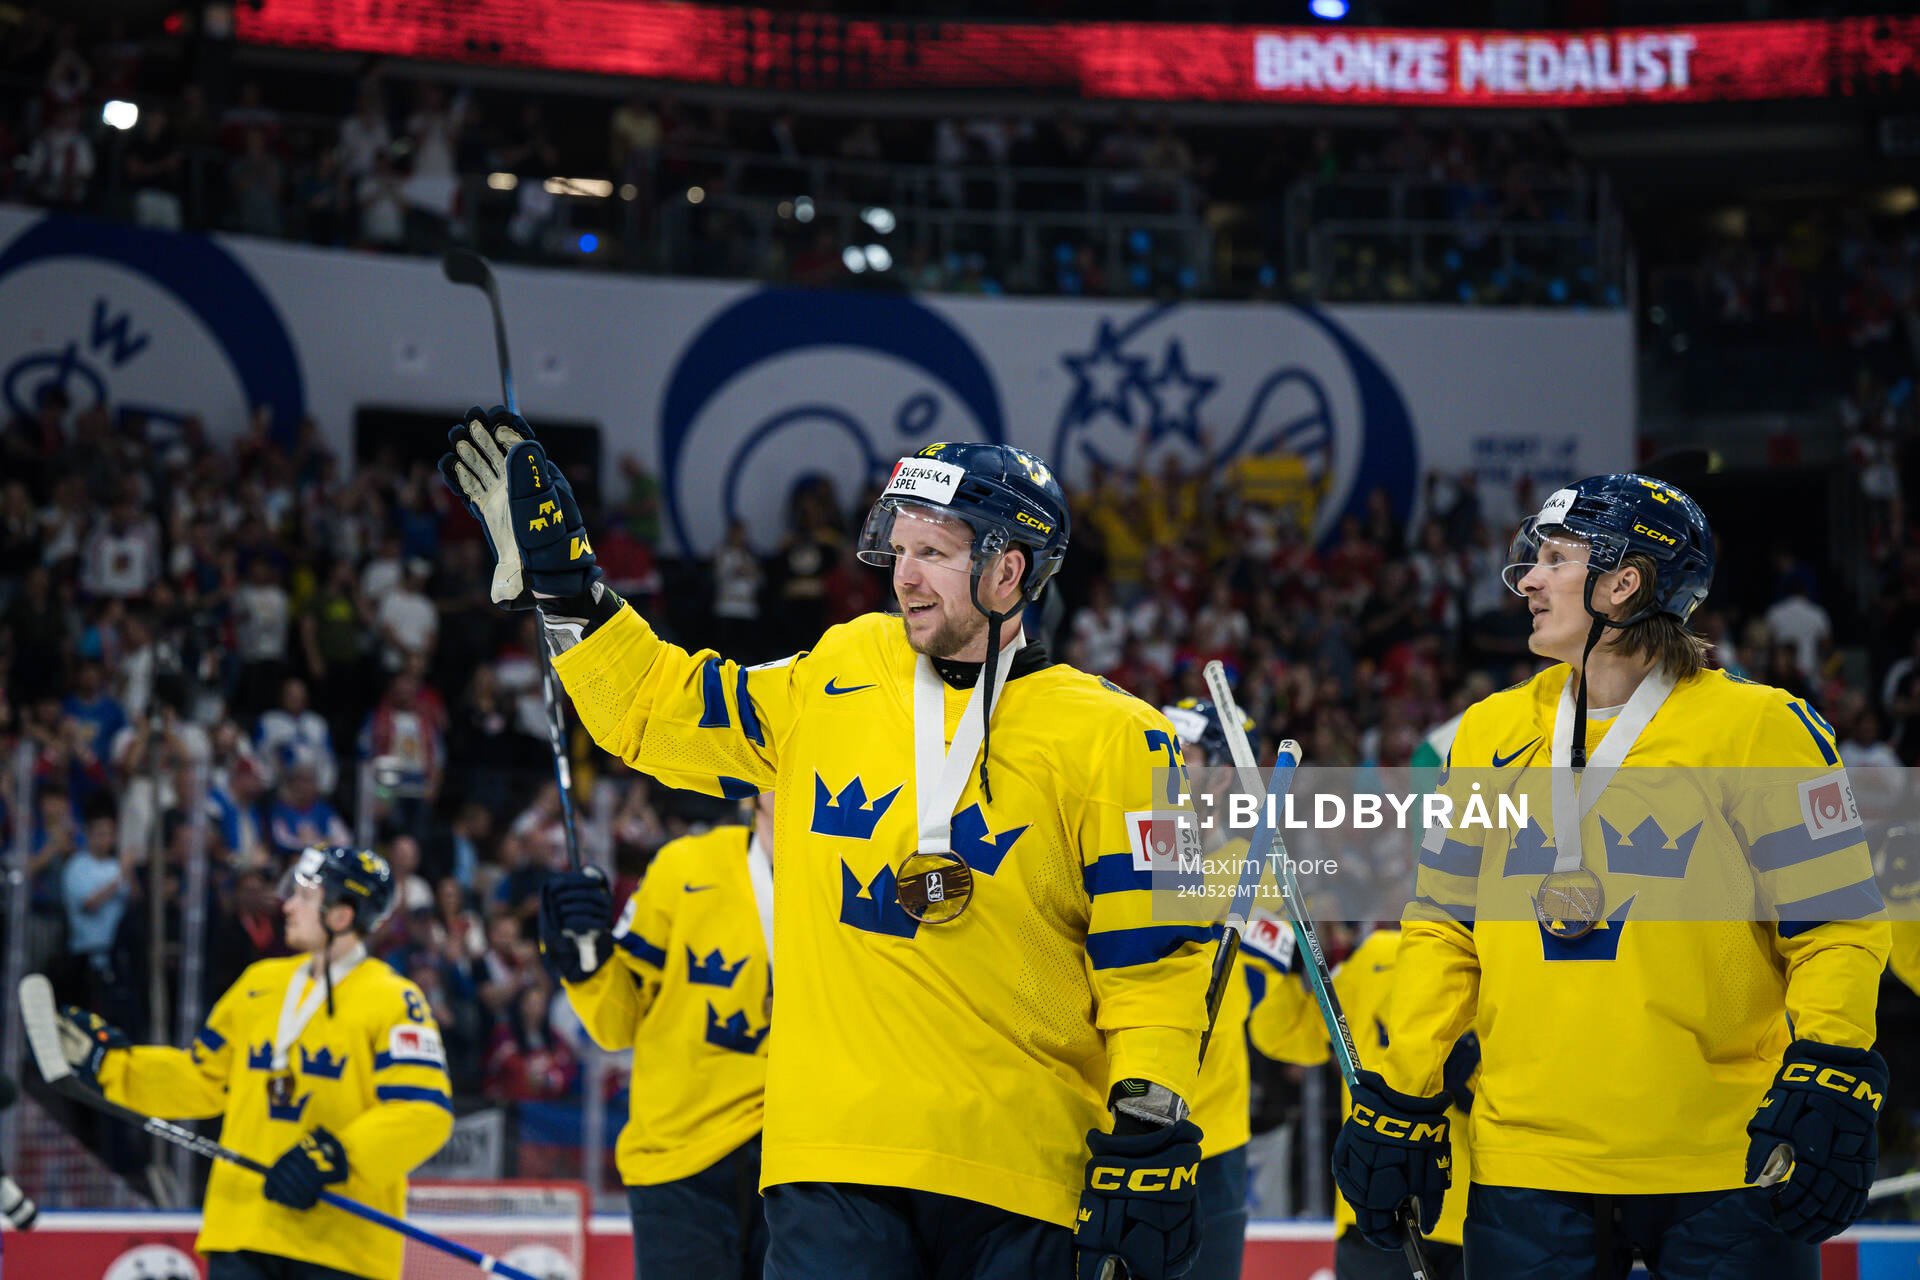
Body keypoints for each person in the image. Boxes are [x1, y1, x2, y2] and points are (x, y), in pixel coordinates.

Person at [441, 412, 1216, 1280]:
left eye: (935, 553)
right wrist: (570, 594)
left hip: (1025, 1169)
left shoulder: (1125, 737)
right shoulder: (840, 668)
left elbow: (1161, 957)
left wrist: (1149, 1117)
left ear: (1009, 570)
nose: (904, 576)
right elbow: (656, 712)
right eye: (900, 547)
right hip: (831, 1162)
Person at [1332, 474, 1890, 1277]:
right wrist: (1401, 1092)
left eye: (1556, 559)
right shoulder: (1489, 733)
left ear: (1626, 582)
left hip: (1722, 1164)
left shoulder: (1760, 731)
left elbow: (1833, 925)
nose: (1528, 579)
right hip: (1526, 1167)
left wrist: (1834, 1067)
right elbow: (1444, 928)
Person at [56, 846, 454, 1280]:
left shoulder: (395, 1000)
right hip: (242, 1232)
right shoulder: (258, 985)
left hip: (341, 1246)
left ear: (341, 915)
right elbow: (201, 1080)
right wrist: (113, 1065)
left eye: (306, 897)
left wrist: (339, 1155)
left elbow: (423, 1112)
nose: (288, 906)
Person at [547, 792, 776, 1279]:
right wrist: (584, 959)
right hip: (682, 1162)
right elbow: (616, 1023)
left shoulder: (858, 874)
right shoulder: (685, 866)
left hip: (807, 1164)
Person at [1158, 697, 1299, 1280]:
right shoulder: (1121, 842)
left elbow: (1278, 962)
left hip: (1213, 1121)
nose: (1164, 767)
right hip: (1115, 1112)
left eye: (1181, 755)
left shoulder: (1253, 862)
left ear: (1218, 772)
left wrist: (1227, 923)